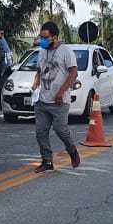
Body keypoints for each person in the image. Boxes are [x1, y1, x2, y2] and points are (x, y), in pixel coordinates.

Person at [31, 21, 81, 172]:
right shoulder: (41, 51)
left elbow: (74, 73)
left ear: (54, 37)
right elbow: (39, 70)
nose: (42, 40)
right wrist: (35, 84)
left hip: (59, 100)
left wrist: (61, 92)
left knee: (60, 129)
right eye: (41, 37)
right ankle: (47, 161)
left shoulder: (66, 51)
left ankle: (72, 151)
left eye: (45, 37)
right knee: (40, 132)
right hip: (42, 100)